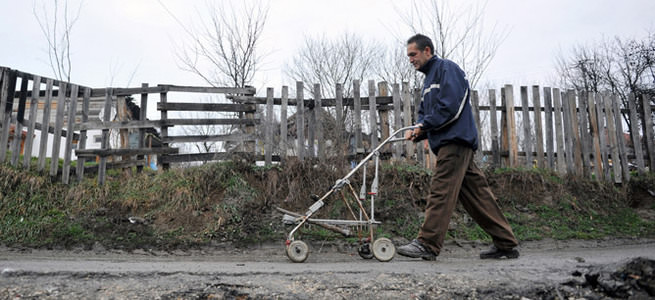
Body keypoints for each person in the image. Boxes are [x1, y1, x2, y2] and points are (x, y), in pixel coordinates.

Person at [397, 34, 519, 261]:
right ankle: (506, 243)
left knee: (441, 190)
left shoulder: (447, 69)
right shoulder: (427, 81)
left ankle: (427, 243)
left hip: (454, 141)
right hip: (449, 143)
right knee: (478, 196)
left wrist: (425, 124)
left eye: (413, 54)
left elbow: (451, 106)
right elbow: (426, 112)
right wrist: (418, 129)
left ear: (427, 51)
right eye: (408, 56)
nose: (410, 59)